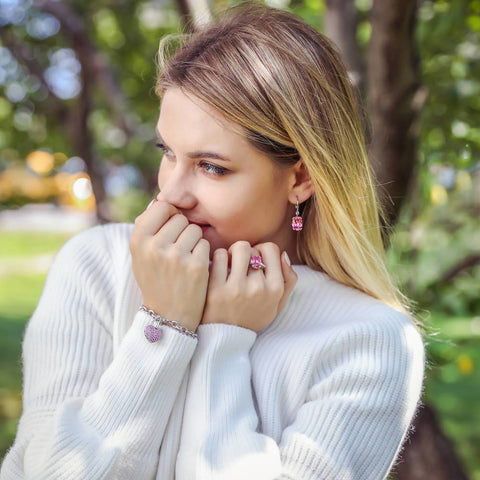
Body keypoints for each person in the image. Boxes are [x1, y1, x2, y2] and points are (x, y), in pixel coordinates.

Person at [1, 2, 425, 479]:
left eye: (212, 167)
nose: (171, 193)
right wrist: (162, 323)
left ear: (301, 178)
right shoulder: (97, 266)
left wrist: (222, 343)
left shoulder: (368, 342)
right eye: (168, 153)